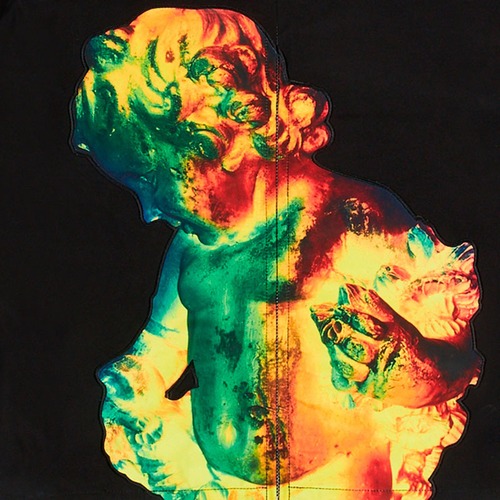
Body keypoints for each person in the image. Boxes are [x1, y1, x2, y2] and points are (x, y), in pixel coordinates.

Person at [72, 8, 481, 499]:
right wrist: (136, 381)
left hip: (334, 479)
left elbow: (458, 362)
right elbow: (160, 344)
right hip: (221, 484)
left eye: (153, 180)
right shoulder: (190, 250)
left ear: (223, 139)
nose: (149, 210)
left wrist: (401, 363)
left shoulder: (348, 218)